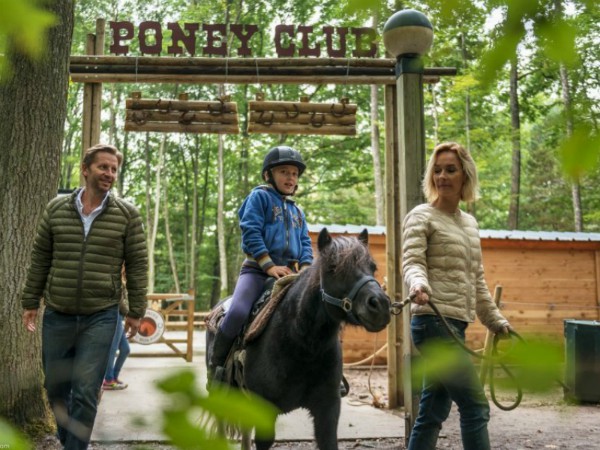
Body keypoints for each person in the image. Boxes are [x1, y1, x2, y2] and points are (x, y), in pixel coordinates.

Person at [21, 143, 148, 450]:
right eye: (103, 167)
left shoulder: (127, 215)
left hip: (101, 315)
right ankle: (71, 443)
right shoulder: (56, 209)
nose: (109, 174)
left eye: (114, 169)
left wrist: (136, 309)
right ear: (85, 169)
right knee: (55, 389)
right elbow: (40, 257)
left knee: (87, 390)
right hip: (57, 312)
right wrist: (30, 302)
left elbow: (138, 264)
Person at [402, 142, 512, 450]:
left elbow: (476, 280)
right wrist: (419, 285)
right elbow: (412, 262)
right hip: (432, 323)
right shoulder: (421, 216)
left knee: (433, 411)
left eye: (450, 169)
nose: (443, 176)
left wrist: (496, 321)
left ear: (465, 174)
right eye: (437, 170)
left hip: (456, 326)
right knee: (476, 407)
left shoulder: (470, 224)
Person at [208, 145, 313, 385]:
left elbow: (306, 242)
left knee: (315, 311)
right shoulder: (259, 197)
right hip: (257, 270)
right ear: (268, 175)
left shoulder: (297, 211)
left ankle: (320, 373)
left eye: (295, 173)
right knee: (237, 311)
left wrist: (306, 267)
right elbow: (251, 231)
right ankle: (217, 366)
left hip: (291, 273)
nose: (291, 178)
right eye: (284, 172)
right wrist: (268, 266)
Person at [103, 267, 131, 391]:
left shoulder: (123, 279)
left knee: (125, 349)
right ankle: (108, 380)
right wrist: (129, 314)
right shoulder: (113, 277)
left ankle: (113, 376)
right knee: (112, 349)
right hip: (115, 314)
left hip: (120, 316)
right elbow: (119, 300)